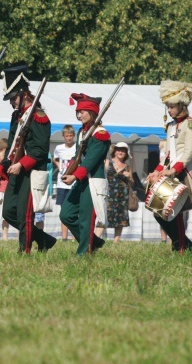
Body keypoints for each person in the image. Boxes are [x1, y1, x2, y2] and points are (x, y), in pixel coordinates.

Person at [0, 65, 56, 254]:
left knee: (25, 215)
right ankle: (44, 240)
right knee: (8, 212)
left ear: (24, 94)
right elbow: (12, 147)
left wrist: (22, 164)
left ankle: (25, 251)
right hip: (15, 170)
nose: (12, 102)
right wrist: (1, 170)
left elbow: (39, 150)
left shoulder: (39, 117)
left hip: (30, 171)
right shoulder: (17, 115)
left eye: (14, 97)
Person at [146, 81, 192, 253]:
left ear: (181, 105)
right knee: (159, 212)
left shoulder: (190, 124)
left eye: (172, 106)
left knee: (178, 215)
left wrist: (173, 170)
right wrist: (157, 171)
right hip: (170, 172)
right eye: (168, 107)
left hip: (182, 172)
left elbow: (188, 154)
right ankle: (184, 246)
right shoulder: (171, 127)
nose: (169, 110)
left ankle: (182, 248)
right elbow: (167, 155)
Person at [59, 93, 110, 256]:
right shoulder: (82, 132)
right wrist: (69, 172)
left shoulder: (101, 134)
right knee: (66, 214)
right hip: (81, 179)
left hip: (93, 181)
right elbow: (78, 157)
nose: (79, 115)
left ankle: (84, 253)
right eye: (78, 112)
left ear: (93, 112)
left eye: (83, 111)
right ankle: (93, 242)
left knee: (85, 220)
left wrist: (75, 176)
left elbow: (91, 161)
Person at [105, 142, 134, 243]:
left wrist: (129, 176)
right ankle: (97, 238)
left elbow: (132, 182)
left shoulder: (127, 166)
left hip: (122, 196)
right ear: (114, 151)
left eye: (123, 150)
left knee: (120, 219)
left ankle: (116, 241)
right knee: (105, 216)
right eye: (118, 150)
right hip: (108, 194)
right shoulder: (107, 162)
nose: (120, 152)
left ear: (126, 153)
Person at [53, 125, 77, 241]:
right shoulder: (59, 148)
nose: (69, 138)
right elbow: (55, 158)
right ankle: (64, 237)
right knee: (63, 211)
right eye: (67, 136)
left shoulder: (77, 147)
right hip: (62, 183)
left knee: (74, 210)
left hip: (73, 182)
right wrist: (60, 167)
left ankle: (74, 236)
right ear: (63, 136)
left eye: (71, 136)